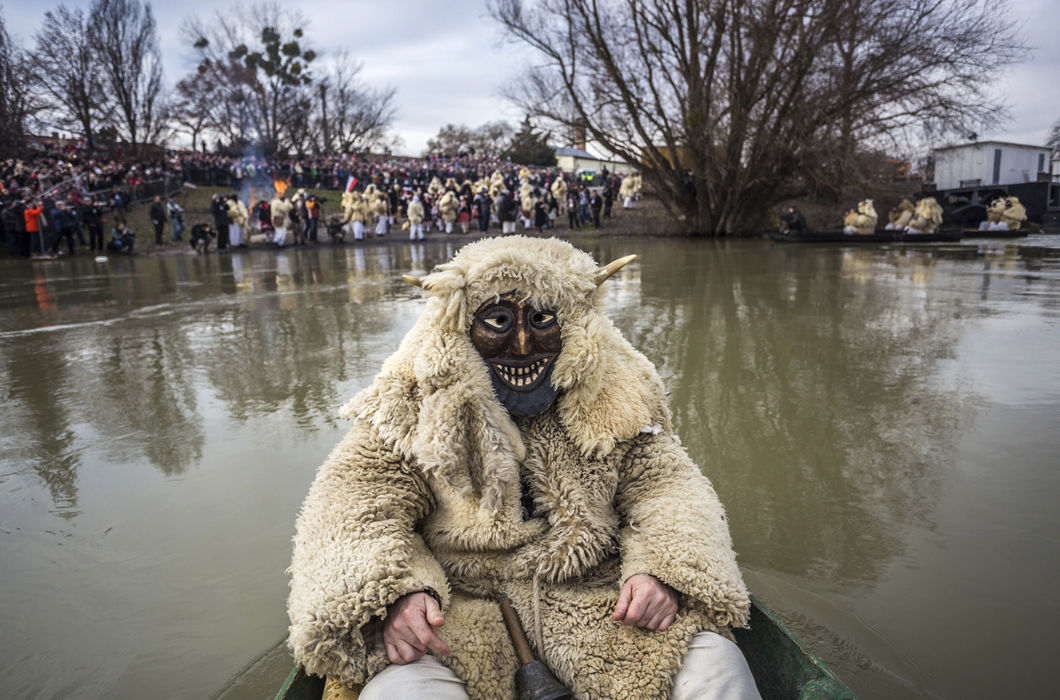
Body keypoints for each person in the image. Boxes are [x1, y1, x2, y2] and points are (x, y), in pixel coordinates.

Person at [287, 237, 759, 700]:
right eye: (497, 321)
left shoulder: (618, 391)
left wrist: (659, 572)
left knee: (715, 668)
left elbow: (668, 488)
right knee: (401, 691)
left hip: (601, 604)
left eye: (541, 319)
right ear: (461, 323)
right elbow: (352, 507)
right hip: (458, 615)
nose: (521, 344)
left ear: (571, 320)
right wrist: (399, 595)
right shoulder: (411, 397)